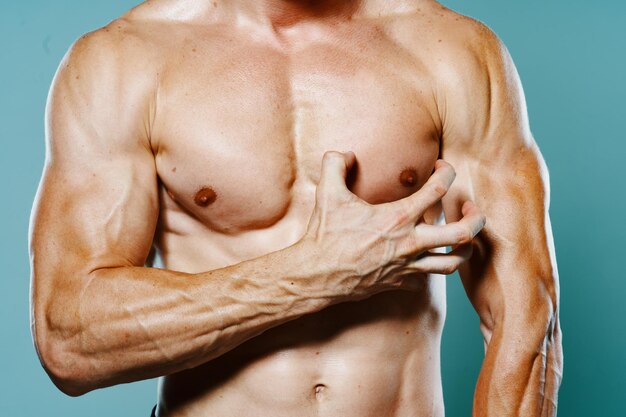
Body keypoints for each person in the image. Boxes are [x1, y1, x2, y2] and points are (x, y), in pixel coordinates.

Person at [29, 0, 562, 416]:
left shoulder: (449, 51)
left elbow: (525, 314)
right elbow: (71, 337)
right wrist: (313, 275)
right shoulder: (123, 63)